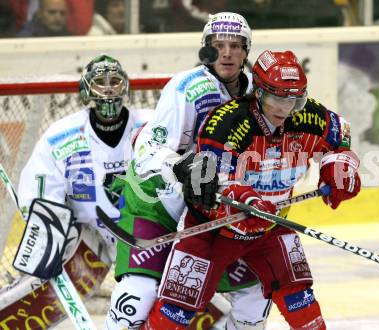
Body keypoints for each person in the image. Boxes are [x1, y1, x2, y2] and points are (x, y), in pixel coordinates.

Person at [144, 50, 361, 329]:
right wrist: (242, 199)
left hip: (270, 226)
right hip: (212, 228)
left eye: (295, 99)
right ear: (258, 92)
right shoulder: (227, 122)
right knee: (174, 313)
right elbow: (210, 181)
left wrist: (339, 165)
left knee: (302, 303)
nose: (286, 109)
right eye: (277, 98)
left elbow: (340, 133)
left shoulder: (308, 115)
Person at [107, 12, 273, 330]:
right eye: (218, 45)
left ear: (246, 51)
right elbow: (146, 151)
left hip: (214, 212)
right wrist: (185, 164)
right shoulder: (186, 87)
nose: (226, 53)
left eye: (236, 46)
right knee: (138, 293)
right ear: (206, 49)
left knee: (255, 292)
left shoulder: (259, 92)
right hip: (158, 204)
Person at [18, 54, 150, 266]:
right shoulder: (60, 136)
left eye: (114, 82)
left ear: (125, 86)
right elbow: (36, 192)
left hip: (147, 239)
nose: (108, 89)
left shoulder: (152, 125)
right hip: (86, 241)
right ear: (86, 89)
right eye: (99, 83)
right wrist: (49, 237)